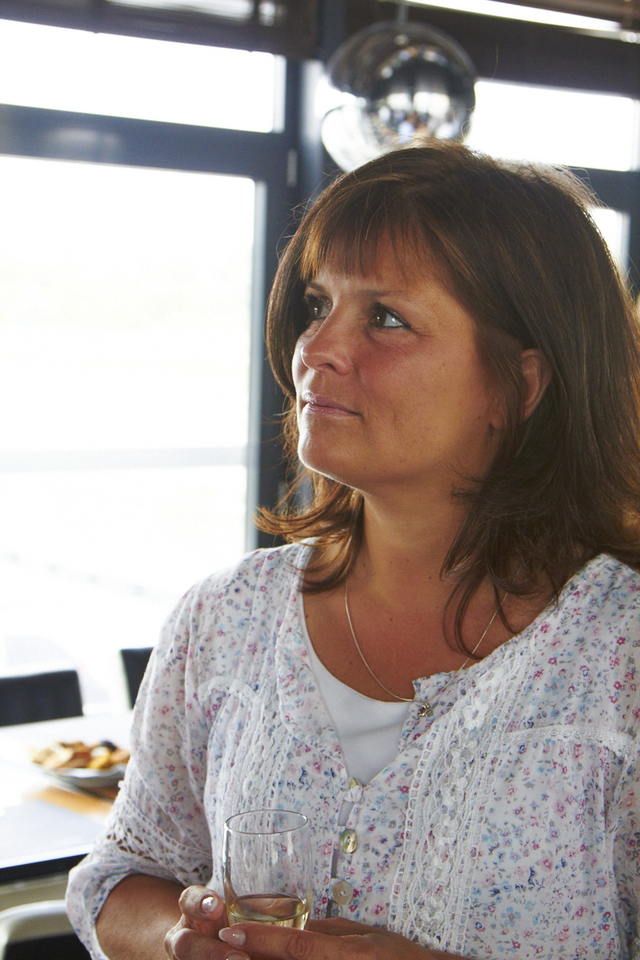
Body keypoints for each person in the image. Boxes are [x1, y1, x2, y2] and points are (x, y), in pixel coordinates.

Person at [67, 142, 640, 960]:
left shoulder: (621, 657)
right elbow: (118, 877)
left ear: (519, 387)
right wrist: (176, 938)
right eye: (317, 304)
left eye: (387, 318)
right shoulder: (224, 619)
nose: (316, 349)